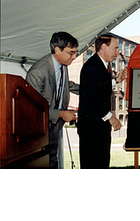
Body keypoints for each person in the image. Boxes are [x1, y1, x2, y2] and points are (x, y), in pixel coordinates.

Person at [26, 31, 79, 168]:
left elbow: (68, 85)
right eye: (71, 53)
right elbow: (34, 109)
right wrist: (61, 113)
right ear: (57, 50)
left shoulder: (62, 65)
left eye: (75, 53)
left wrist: (93, 89)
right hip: (40, 129)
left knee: (53, 159)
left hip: (54, 125)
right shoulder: (38, 72)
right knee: (45, 162)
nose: (74, 57)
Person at [77, 33, 127, 168]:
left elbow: (100, 87)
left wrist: (116, 80)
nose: (118, 52)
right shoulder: (92, 67)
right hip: (92, 130)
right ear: (104, 47)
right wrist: (110, 117)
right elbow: (92, 97)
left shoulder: (103, 65)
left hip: (99, 129)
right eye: (115, 48)